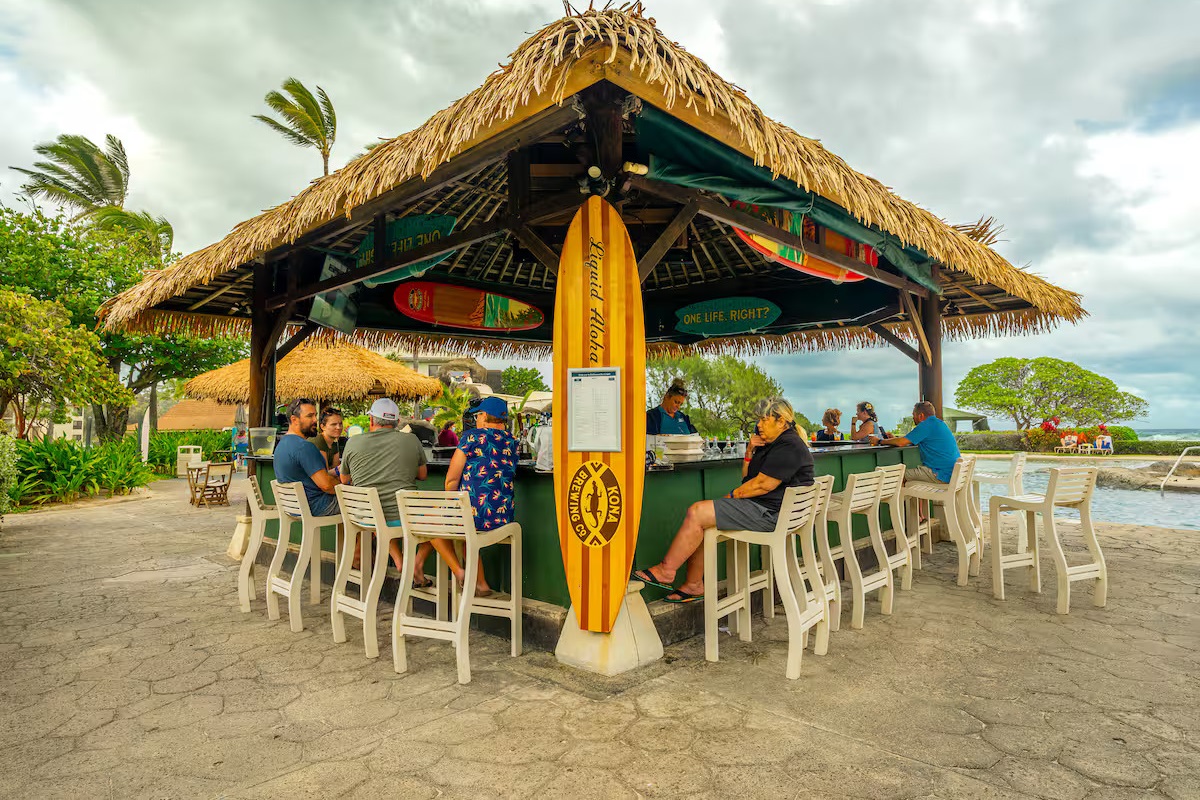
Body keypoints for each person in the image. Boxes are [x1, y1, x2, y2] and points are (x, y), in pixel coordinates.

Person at [633, 397, 814, 603]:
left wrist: (731, 497)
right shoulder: (775, 444)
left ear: (781, 421)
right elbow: (747, 479)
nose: (759, 425)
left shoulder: (788, 444)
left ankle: (666, 571)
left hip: (771, 515)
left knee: (697, 512)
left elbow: (762, 485)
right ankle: (693, 585)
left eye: (764, 420)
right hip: (770, 510)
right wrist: (749, 453)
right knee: (705, 520)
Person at [416, 396, 516, 597]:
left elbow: (452, 480)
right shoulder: (512, 441)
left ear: (485, 416)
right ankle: (481, 583)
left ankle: (460, 572)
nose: (476, 419)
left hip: (473, 516)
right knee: (460, 525)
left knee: (429, 521)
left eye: (478, 415)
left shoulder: (472, 437)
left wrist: (449, 505)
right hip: (502, 516)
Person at [339, 398, 431, 577]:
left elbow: (344, 479)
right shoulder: (411, 440)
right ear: (396, 422)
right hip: (404, 517)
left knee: (380, 514)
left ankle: (400, 561)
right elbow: (422, 475)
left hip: (365, 517)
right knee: (440, 522)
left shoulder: (353, 442)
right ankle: (414, 563)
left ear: (372, 420)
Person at [273, 398, 340, 516]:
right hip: (315, 506)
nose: (315, 420)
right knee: (361, 503)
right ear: (294, 420)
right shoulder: (304, 447)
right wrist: (345, 488)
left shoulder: (282, 444)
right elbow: (326, 485)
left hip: (294, 507)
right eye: (310, 416)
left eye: (315, 415)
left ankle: (349, 535)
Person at [870, 401, 961, 484]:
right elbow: (907, 440)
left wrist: (879, 441)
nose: (913, 417)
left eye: (914, 415)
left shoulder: (926, 425)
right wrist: (894, 439)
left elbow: (901, 443)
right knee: (907, 476)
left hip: (940, 474)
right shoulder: (939, 423)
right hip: (952, 472)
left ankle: (895, 502)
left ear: (921, 416)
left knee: (897, 476)